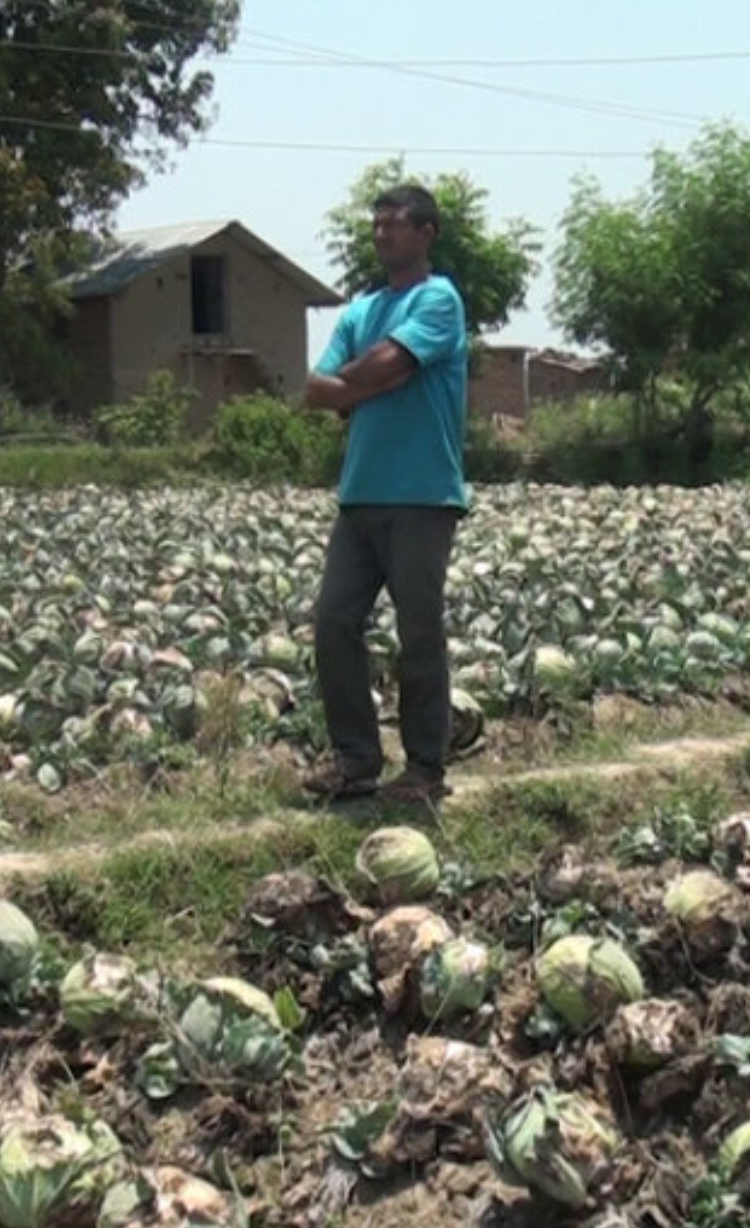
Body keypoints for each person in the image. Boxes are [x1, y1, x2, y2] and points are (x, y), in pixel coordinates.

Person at [299, 183, 470, 806]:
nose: (381, 234)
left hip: (423, 496)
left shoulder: (439, 299)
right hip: (361, 495)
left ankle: (425, 767)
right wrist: (372, 382)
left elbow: (383, 364)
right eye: (376, 225)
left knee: (417, 631)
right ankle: (356, 761)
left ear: (426, 233)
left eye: (394, 224)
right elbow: (317, 390)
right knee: (333, 623)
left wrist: (359, 384)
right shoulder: (360, 311)